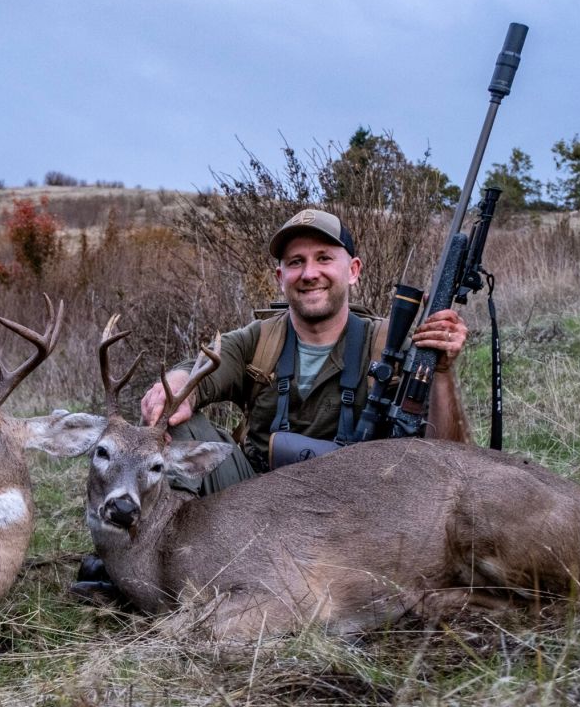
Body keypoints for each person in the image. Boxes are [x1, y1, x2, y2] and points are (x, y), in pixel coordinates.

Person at [140, 207, 472, 495]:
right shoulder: (257, 341)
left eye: (324, 258)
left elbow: (451, 459)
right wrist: (176, 389)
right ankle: (164, 551)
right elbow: (202, 367)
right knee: (172, 425)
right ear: (280, 276)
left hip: (364, 515)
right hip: (249, 505)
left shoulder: (389, 347)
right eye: (296, 262)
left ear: (353, 270)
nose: (310, 274)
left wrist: (441, 371)